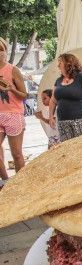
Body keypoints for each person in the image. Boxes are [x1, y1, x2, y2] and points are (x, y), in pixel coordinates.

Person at [48, 53, 82, 142]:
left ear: (68, 64)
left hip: (79, 121)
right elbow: (53, 101)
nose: (58, 66)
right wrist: (50, 117)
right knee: (67, 151)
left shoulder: (81, 77)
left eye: (60, 63)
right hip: (62, 122)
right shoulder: (58, 81)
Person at [0, 37, 27, 186]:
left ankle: (22, 185)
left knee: (16, 153)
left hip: (13, 114)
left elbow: (24, 95)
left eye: (1, 50)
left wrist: (11, 89)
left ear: (6, 51)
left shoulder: (12, 70)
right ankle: (5, 182)